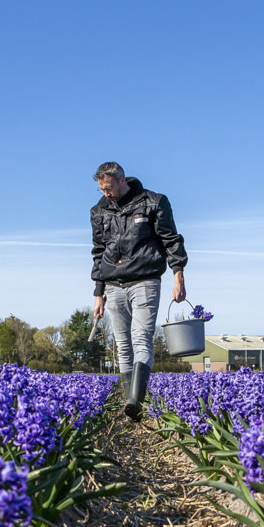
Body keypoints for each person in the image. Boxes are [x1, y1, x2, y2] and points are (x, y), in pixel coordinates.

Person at [90, 162, 188, 419]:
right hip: (114, 284)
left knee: (140, 337)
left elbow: (171, 240)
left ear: (122, 180)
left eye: (109, 188)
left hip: (145, 280)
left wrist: (178, 275)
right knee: (122, 344)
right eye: (101, 189)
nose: (105, 194)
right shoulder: (99, 211)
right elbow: (99, 253)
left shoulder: (153, 202)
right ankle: (129, 403)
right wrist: (98, 293)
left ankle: (136, 400)